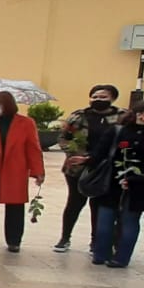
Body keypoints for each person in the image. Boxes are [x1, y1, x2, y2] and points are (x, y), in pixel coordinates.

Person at [87, 99, 144, 269]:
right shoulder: (118, 131)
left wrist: (143, 178)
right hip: (111, 182)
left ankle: (121, 257)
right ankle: (100, 254)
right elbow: (100, 154)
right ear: (140, 114)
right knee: (104, 220)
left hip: (140, 184)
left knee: (130, 221)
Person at [0, 91, 44, 252]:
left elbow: (33, 148)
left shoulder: (26, 123)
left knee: (15, 205)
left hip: (14, 169)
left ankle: (14, 239)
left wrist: (38, 171)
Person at [54, 85, 121, 252]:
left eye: (103, 97)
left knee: (99, 205)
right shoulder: (78, 116)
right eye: (95, 97)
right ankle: (65, 238)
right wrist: (77, 155)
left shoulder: (121, 117)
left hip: (106, 167)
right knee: (75, 202)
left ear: (112, 99)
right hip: (77, 167)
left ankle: (96, 241)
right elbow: (63, 138)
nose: (98, 100)